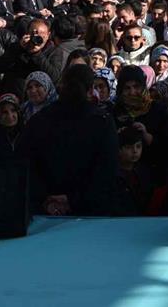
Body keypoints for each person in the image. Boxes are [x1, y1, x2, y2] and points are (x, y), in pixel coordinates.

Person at [17, 63, 118, 215]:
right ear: (91, 90)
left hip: (47, 214)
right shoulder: (102, 121)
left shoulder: (39, 120)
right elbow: (107, 172)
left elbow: (22, 164)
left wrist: (48, 199)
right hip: (88, 216)